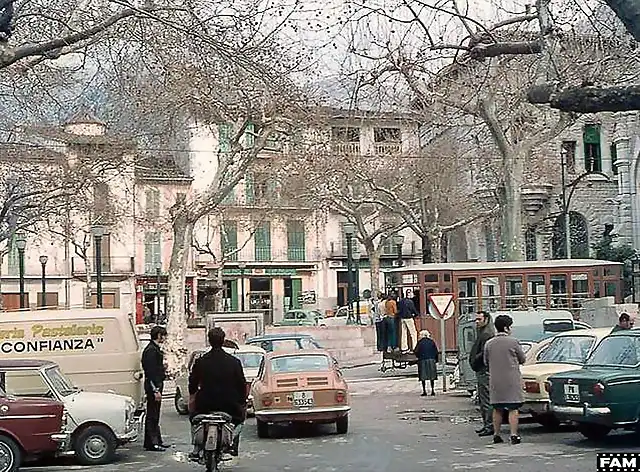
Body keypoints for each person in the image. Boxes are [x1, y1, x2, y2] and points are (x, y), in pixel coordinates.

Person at [188, 327, 247, 461]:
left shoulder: (201, 361)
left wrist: (193, 395)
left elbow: (192, 383)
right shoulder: (234, 362)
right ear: (223, 340)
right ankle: (231, 444)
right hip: (229, 405)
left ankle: (196, 447)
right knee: (240, 421)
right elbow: (241, 384)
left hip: (205, 404)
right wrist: (241, 400)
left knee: (194, 420)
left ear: (209, 341)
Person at [483, 314, 526, 445]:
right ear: (506, 328)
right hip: (511, 379)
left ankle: (496, 434)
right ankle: (514, 435)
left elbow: (485, 361)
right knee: (513, 408)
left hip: (495, 380)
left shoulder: (489, 343)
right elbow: (522, 359)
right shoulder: (513, 342)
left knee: (497, 408)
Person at [141, 325, 169, 452]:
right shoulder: (151, 350)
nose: (164, 338)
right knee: (152, 415)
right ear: (158, 335)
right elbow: (150, 371)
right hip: (154, 386)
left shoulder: (154, 349)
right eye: (163, 335)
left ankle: (156, 441)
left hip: (156, 385)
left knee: (155, 414)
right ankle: (152, 443)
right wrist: (155, 390)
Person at [469, 311, 495, 437]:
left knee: (486, 399)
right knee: (483, 398)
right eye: (476, 320)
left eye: (479, 319)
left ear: (486, 320)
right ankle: (486, 424)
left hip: (484, 370)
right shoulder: (482, 333)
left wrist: (475, 360)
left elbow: (485, 353)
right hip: (480, 370)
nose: (477, 322)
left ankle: (489, 425)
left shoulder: (487, 335)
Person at [414, 330, 439, 396]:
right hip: (431, 360)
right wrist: (435, 360)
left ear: (422, 335)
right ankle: (433, 390)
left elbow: (416, 351)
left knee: (423, 377)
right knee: (432, 377)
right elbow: (436, 351)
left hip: (422, 360)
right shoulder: (431, 341)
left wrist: (419, 356)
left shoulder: (420, 342)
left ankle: (424, 391)